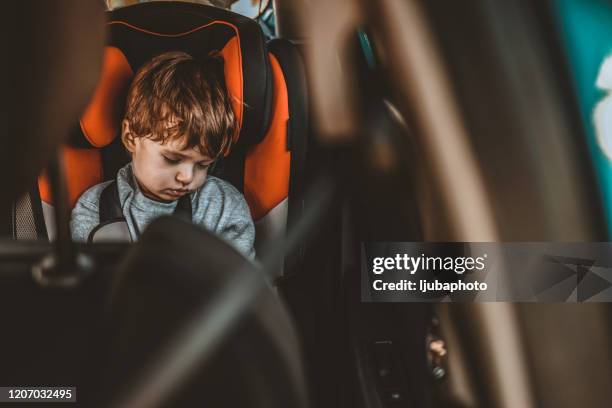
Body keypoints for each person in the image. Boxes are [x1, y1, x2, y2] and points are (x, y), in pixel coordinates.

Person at [70, 51, 255, 259]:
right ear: (131, 137)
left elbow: (243, 284)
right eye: (172, 159)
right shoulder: (95, 208)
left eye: (203, 164)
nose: (187, 177)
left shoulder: (223, 207)